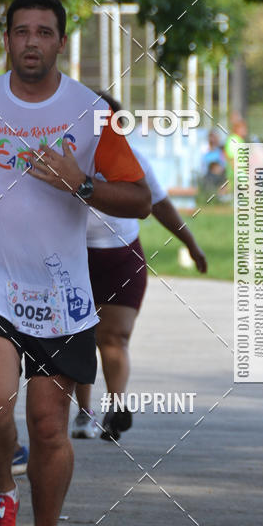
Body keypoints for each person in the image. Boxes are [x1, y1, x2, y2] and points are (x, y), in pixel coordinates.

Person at [0, 0, 151, 526]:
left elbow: (139, 198)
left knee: (50, 427)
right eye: (21, 30)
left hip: (63, 297)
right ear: (7, 39)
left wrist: (82, 186)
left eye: (44, 32)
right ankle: (4, 492)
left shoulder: (89, 111)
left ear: (59, 41)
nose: (31, 41)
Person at [72, 95, 207, 442]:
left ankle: (115, 409)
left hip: (122, 260)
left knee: (114, 337)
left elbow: (160, 207)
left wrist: (191, 245)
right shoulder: (66, 162)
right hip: (73, 259)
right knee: (79, 337)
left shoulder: (135, 161)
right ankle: (84, 412)